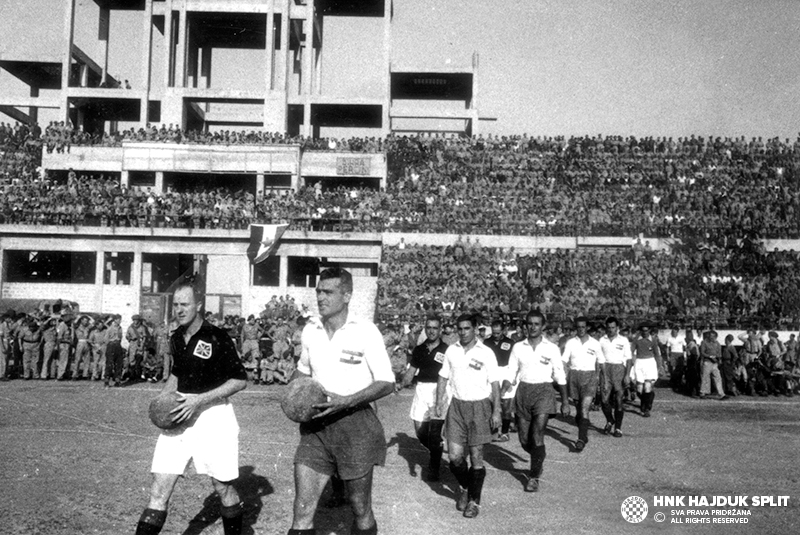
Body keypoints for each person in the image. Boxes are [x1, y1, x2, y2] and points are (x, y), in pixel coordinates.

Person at [135, 278, 248, 535]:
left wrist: (199, 400)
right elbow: (177, 372)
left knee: (223, 488)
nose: (179, 310)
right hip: (179, 412)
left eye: (185, 304)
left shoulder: (216, 336)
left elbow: (240, 380)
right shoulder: (176, 336)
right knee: (158, 489)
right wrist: (163, 399)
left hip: (213, 415)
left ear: (198, 304)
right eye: (176, 305)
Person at [288, 268, 395, 535]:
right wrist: (293, 388)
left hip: (356, 425)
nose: (321, 298)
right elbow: (302, 369)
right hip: (317, 428)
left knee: (359, 506)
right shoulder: (311, 330)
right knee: (302, 508)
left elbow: (386, 382)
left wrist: (346, 401)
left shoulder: (365, 331)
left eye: (328, 292)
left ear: (346, 295)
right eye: (318, 292)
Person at [435, 313, 501, 518]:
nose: (463, 332)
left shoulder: (487, 352)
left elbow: (495, 383)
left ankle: (474, 501)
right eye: (460, 329)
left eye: (467, 329)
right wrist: (439, 402)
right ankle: (465, 486)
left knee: (476, 456)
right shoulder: (451, 351)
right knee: (454, 457)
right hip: (457, 407)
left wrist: (497, 410)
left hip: (479, 407)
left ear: (475, 329)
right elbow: (443, 377)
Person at [503, 310, 568, 493]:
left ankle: (533, 477)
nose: (532, 327)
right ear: (525, 325)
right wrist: (504, 388)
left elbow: (559, 374)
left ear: (543, 326)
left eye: (536, 324)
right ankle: (538, 459)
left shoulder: (551, 348)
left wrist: (564, 401)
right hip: (523, 391)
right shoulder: (518, 347)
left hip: (544, 391)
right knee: (525, 440)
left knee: (538, 432)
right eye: (529, 324)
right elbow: (511, 371)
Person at [401, 316, 449, 482]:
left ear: (440, 329)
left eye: (435, 328)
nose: (431, 331)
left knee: (434, 434)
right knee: (421, 433)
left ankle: (434, 468)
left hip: (439, 391)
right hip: (422, 390)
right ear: (425, 328)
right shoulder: (419, 349)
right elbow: (411, 371)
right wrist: (400, 384)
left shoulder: (447, 350)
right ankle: (437, 450)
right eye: (428, 327)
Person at [561, 316, 602, 452]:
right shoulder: (571, 342)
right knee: (579, 410)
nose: (581, 329)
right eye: (578, 327)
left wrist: (602, 379)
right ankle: (584, 435)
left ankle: (580, 439)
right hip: (574, 377)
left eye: (583, 327)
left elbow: (601, 362)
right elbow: (564, 360)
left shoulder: (595, 343)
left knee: (585, 408)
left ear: (587, 327)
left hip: (589, 377)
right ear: (576, 328)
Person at [599, 317, 632, 437]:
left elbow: (628, 359)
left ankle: (618, 428)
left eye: (613, 327)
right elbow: (599, 358)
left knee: (619, 401)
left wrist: (627, 375)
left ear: (617, 328)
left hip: (619, 370)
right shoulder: (602, 340)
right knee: (604, 400)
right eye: (609, 328)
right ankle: (610, 420)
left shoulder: (623, 340)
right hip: (606, 370)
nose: (611, 330)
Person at [484, 319, 516, 442]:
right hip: (492, 372)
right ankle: (493, 430)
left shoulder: (510, 342)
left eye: (498, 333)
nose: (495, 335)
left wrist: (512, 377)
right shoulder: (487, 342)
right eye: (494, 332)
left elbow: (515, 361)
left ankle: (505, 432)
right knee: (491, 402)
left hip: (506, 371)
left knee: (507, 406)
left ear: (503, 331)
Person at [631, 324, 663, 417]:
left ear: (649, 330)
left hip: (649, 362)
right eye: (643, 330)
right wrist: (631, 360)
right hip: (639, 362)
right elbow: (631, 351)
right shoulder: (637, 339)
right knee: (639, 389)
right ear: (641, 331)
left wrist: (659, 366)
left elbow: (657, 354)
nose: (645, 332)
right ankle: (649, 398)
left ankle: (646, 408)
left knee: (647, 386)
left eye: (646, 330)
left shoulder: (653, 340)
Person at [699, 330, 727, 399]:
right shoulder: (704, 343)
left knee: (718, 378)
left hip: (715, 363)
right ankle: (703, 393)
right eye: (710, 335)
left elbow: (719, 353)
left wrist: (718, 358)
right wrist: (710, 356)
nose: (711, 337)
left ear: (715, 337)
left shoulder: (717, 344)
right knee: (705, 377)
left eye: (713, 336)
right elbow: (702, 352)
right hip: (707, 362)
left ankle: (721, 393)